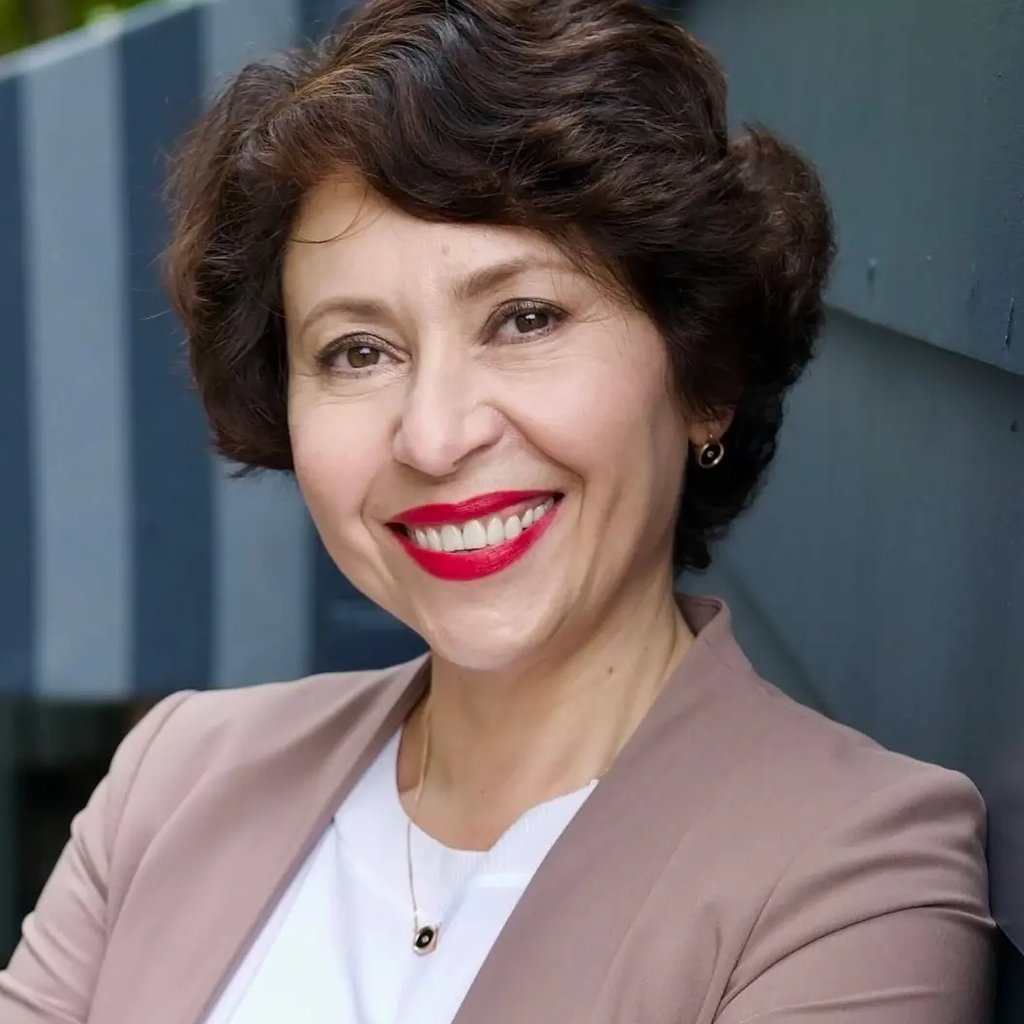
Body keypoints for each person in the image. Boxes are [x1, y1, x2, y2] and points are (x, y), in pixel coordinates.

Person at [0, 0, 995, 1021]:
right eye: (358, 351)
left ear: (705, 374)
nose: (434, 437)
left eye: (524, 319)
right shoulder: (176, 777)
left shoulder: (852, 878)